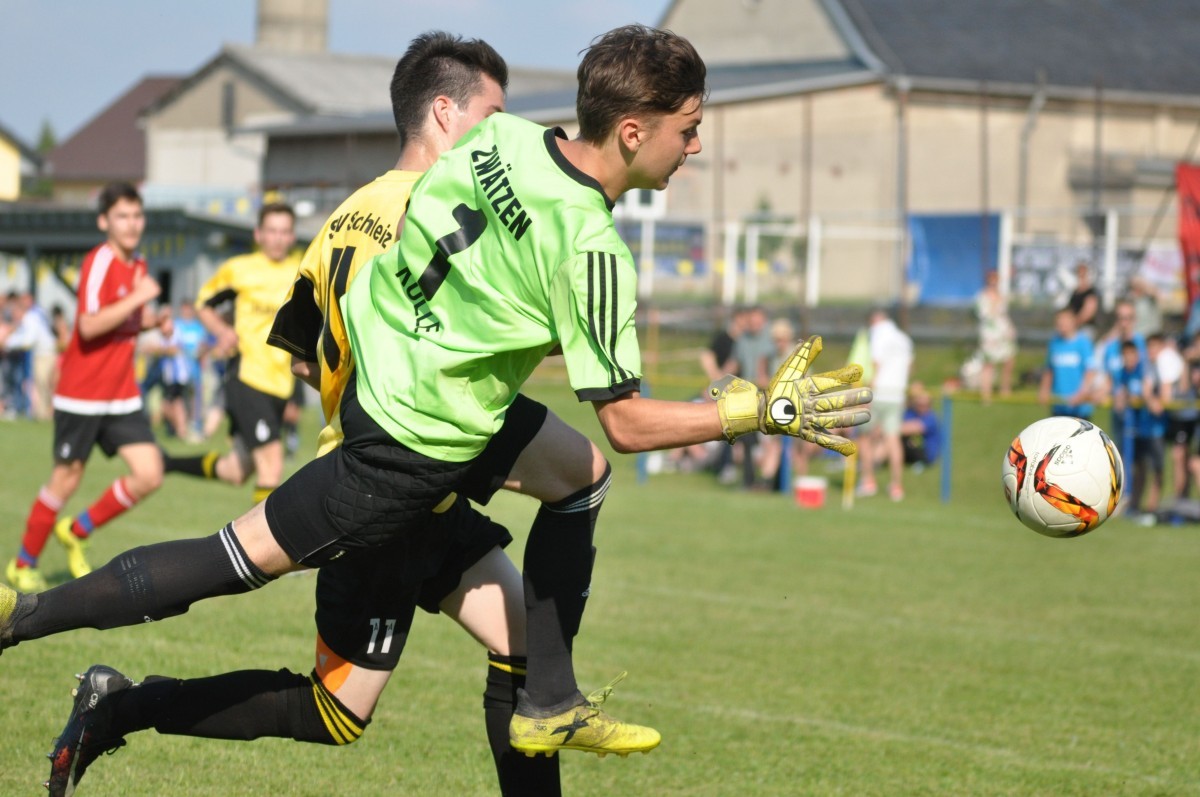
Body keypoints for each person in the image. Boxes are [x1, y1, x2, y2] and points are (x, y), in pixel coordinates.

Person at [0, 23, 870, 771]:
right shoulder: (594, 249)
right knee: (237, 568)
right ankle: (32, 627)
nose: (698, 146)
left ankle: (551, 696)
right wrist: (758, 410)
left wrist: (433, 333)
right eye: (690, 129)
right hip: (405, 453)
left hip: (418, 402)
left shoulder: (505, 141)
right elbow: (632, 420)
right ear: (635, 131)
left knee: (571, 503)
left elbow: (335, 316)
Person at [38, 34, 560, 797]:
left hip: (401, 473)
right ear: (445, 114)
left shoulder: (347, 215)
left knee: (521, 633)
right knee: (336, 707)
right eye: (494, 117)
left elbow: (300, 349)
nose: (501, 138)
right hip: (386, 484)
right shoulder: (438, 215)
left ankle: (116, 696)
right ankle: (121, 701)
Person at [5, 182, 167, 592]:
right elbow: (89, 324)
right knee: (66, 478)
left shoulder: (139, 264)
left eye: (137, 215)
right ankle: (23, 563)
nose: (132, 225)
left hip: (121, 395)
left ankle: (77, 530)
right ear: (104, 222)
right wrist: (139, 301)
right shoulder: (99, 261)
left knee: (150, 474)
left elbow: (123, 321)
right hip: (81, 394)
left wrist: (152, 321)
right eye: (122, 217)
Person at [161, 204, 301, 505]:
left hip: (281, 384)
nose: (278, 238)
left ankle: (168, 463)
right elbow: (203, 303)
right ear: (258, 234)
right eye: (272, 231)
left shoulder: (302, 271)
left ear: (292, 236)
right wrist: (222, 332)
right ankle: (259, 550)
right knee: (272, 463)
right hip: (247, 377)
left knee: (236, 470)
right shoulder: (240, 269)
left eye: (284, 231)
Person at [858, 307, 912, 501]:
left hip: (878, 392)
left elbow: (876, 364)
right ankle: (897, 487)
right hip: (896, 394)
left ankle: (868, 481)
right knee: (893, 439)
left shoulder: (877, 334)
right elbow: (908, 367)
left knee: (864, 438)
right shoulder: (904, 339)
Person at [1113, 340, 1163, 522]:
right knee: (1137, 466)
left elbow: (1153, 399)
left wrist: (1146, 396)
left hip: (1153, 429)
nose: (1129, 359)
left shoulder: (1145, 370)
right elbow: (1119, 400)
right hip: (1136, 430)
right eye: (1125, 356)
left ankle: (1152, 508)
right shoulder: (1122, 374)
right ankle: (1134, 505)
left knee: (1157, 468)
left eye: (1131, 355)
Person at [1039, 308, 1096, 420]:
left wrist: (1081, 393)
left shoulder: (1083, 343)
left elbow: (1090, 371)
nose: (1061, 324)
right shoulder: (1054, 343)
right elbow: (1049, 369)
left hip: (1079, 408)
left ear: (1073, 321)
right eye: (1059, 322)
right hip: (1059, 406)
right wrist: (1044, 389)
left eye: (1065, 321)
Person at [975, 269, 1016, 404]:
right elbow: (985, 315)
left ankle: (1005, 390)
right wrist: (995, 302)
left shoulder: (1002, 295)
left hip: (1003, 333)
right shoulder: (982, 297)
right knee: (988, 364)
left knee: (1009, 360)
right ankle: (986, 394)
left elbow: (1004, 314)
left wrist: (1011, 328)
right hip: (990, 335)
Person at [900, 382, 941, 471]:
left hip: (926, 455)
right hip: (910, 450)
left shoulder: (931, 417)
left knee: (892, 436)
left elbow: (909, 428)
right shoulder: (911, 412)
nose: (919, 403)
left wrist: (888, 428)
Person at [1065, 260, 1099, 337]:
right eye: (1079, 271)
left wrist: (1073, 323)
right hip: (1074, 328)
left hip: (1085, 328)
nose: (1081, 274)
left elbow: (1088, 312)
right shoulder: (1075, 292)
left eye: (1083, 272)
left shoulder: (1091, 292)